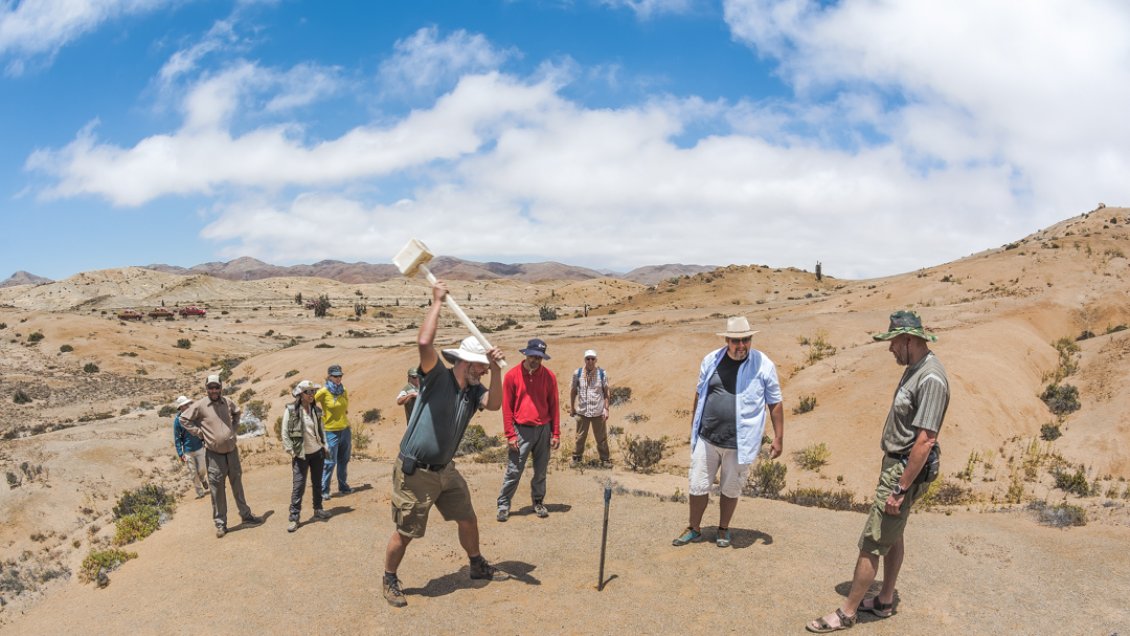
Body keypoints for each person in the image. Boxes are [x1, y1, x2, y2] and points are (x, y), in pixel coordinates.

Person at [806, 311, 949, 633]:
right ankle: (884, 600)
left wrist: (899, 488)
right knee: (893, 533)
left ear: (909, 340)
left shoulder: (930, 378)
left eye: (894, 343)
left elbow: (925, 440)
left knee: (873, 540)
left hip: (904, 468)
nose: (890, 349)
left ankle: (847, 612)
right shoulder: (916, 369)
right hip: (898, 463)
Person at [382, 280, 510, 608]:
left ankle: (476, 563)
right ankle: (390, 577)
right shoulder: (437, 376)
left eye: (484, 368)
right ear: (465, 363)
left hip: (446, 471)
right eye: (480, 367)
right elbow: (424, 341)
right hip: (416, 472)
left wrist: (496, 370)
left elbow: (495, 404)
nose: (481, 372)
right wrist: (436, 301)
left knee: (467, 517)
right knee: (407, 531)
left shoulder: (473, 391)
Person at [672, 316, 784, 549]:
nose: (741, 345)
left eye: (746, 340)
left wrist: (778, 437)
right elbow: (699, 393)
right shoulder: (711, 360)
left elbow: (775, 402)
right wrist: (694, 424)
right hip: (708, 437)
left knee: (731, 487)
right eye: (736, 340)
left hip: (739, 443)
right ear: (727, 340)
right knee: (697, 484)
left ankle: (723, 529)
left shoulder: (763, 365)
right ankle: (694, 528)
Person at [179, 374, 264, 538]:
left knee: (237, 485)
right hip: (214, 455)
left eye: (216, 387)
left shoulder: (227, 401)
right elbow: (183, 419)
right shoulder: (201, 405)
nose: (214, 390)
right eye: (211, 387)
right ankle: (220, 524)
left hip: (231, 452)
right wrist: (199, 433)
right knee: (217, 490)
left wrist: (234, 428)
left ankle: (246, 515)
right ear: (206, 389)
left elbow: (237, 412)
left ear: (221, 388)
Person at [496, 338, 560, 521]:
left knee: (540, 471)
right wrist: (510, 434)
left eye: (539, 358)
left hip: (543, 429)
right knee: (514, 470)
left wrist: (555, 433)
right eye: (532, 356)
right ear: (526, 354)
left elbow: (554, 406)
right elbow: (507, 408)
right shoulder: (512, 376)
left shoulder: (549, 377)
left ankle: (538, 502)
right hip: (521, 430)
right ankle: (503, 504)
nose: (535, 361)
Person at [282, 380, 332, 533]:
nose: (311, 394)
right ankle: (294, 518)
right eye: (308, 392)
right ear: (300, 394)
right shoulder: (291, 410)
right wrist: (291, 451)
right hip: (300, 454)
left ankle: (318, 509)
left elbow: (321, 429)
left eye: (313, 392)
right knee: (299, 486)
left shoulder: (316, 410)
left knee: (317, 483)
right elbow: (284, 432)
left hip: (317, 453)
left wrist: (325, 446)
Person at [568, 349, 611, 467]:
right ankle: (576, 459)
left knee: (601, 437)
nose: (590, 361)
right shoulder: (577, 373)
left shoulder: (602, 373)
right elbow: (573, 391)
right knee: (580, 437)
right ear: (585, 360)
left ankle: (605, 460)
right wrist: (572, 407)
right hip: (582, 411)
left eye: (593, 359)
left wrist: (606, 409)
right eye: (588, 359)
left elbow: (606, 392)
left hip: (598, 411)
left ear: (596, 360)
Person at [315, 364, 351, 500]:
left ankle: (343, 486)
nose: (338, 378)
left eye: (340, 376)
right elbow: (311, 401)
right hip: (331, 431)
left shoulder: (343, 390)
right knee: (330, 462)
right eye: (335, 376)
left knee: (344, 460)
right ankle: (324, 490)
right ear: (329, 376)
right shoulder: (324, 391)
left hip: (345, 429)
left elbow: (345, 406)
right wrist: (318, 413)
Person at [172, 395, 207, 499]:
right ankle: (200, 492)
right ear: (180, 408)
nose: (186, 406)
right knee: (193, 473)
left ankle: (203, 479)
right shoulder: (177, 421)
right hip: (187, 450)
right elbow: (177, 438)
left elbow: (202, 428)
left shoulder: (194, 416)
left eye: (187, 404)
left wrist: (205, 440)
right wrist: (180, 453)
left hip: (199, 447)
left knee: (202, 469)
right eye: (184, 405)